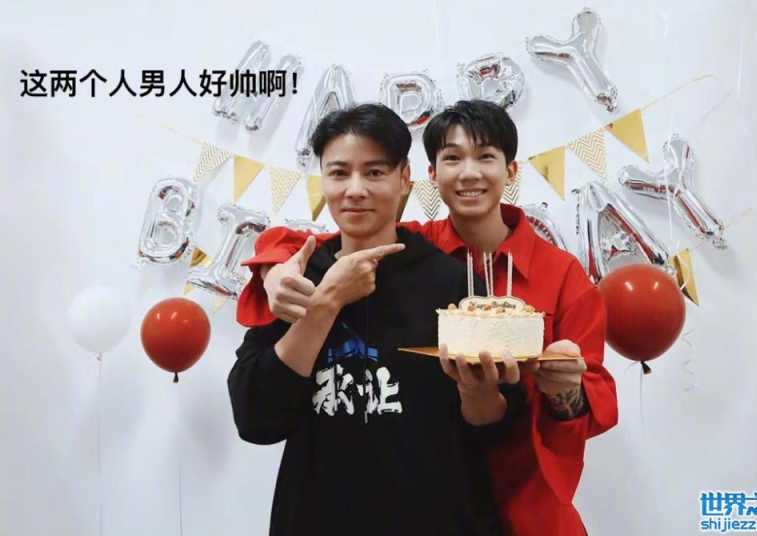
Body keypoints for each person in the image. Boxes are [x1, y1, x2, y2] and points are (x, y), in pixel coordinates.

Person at [237, 100, 619, 535]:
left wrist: (561, 391)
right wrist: (278, 271)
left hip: (514, 501)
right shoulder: (321, 271)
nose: (469, 173)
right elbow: (256, 415)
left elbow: (561, 409)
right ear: (430, 175)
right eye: (453, 158)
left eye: (485, 156)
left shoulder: (530, 276)